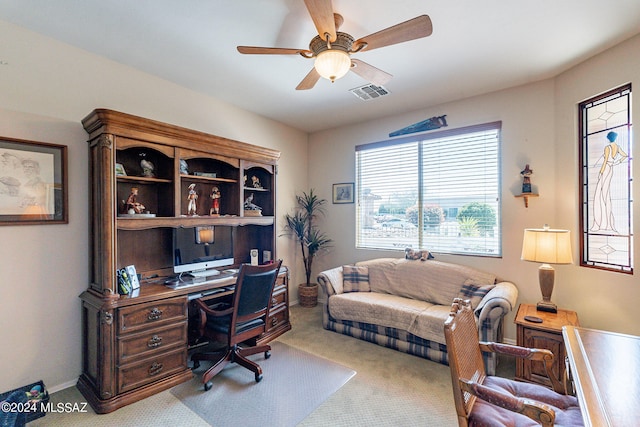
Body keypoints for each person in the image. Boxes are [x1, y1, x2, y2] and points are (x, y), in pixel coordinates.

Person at [591, 131, 628, 232]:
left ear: (608, 138)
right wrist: (616, 162)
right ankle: (606, 223)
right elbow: (625, 155)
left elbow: (605, 160)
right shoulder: (617, 147)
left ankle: (602, 223)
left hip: (606, 168)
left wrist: (601, 172)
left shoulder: (608, 148)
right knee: (604, 194)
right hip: (610, 168)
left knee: (601, 194)